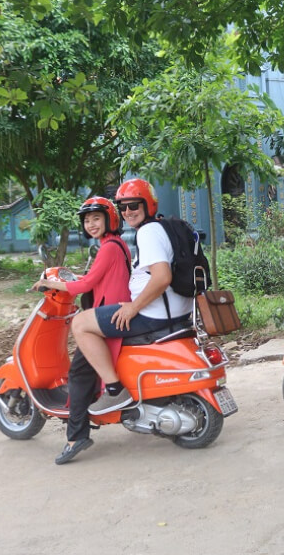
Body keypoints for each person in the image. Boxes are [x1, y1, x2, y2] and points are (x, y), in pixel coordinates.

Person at [71, 178, 193, 417]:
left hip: (154, 314)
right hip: (177, 310)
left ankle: (115, 389)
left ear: (148, 205)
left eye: (134, 205)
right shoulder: (163, 226)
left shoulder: (147, 232)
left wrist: (133, 308)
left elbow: (162, 277)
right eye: (123, 207)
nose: (128, 212)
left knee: (80, 324)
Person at [31, 197, 131, 465]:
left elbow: (86, 284)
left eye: (96, 218)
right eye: (87, 220)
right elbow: (95, 279)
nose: (91, 224)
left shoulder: (109, 247)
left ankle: (76, 437)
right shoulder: (117, 245)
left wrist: (47, 283)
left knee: (77, 372)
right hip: (111, 311)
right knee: (81, 370)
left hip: (106, 317)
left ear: (110, 219)